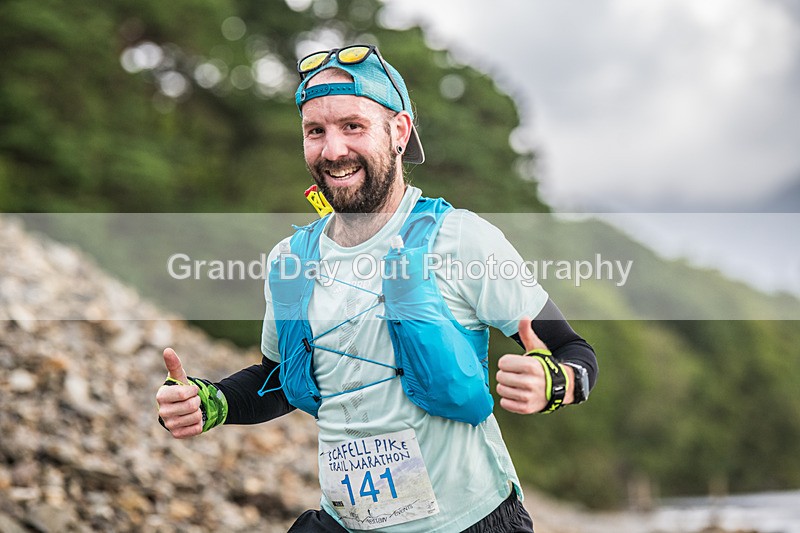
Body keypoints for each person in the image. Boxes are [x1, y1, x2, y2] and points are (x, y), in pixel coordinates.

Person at [156, 44, 597, 533]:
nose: (333, 150)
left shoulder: (461, 238)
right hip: (347, 524)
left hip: (469, 521)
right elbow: (279, 381)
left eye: (353, 126)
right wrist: (211, 401)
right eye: (315, 131)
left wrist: (553, 382)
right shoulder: (289, 260)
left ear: (399, 132)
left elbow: (573, 351)